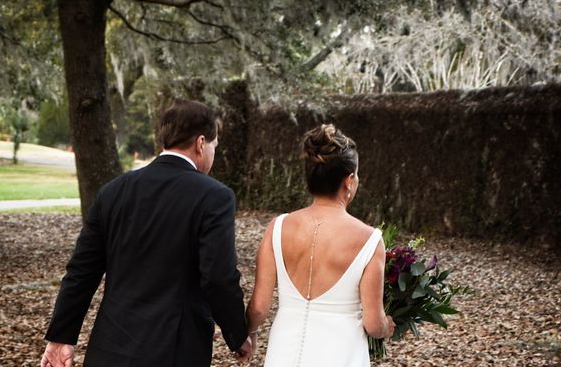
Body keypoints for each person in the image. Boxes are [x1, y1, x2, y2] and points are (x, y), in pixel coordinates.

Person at [40, 100, 252, 367]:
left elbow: (81, 272)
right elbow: (219, 278)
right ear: (201, 143)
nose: (213, 153)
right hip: (174, 351)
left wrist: (61, 337)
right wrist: (237, 334)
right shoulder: (214, 196)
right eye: (214, 146)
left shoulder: (113, 191)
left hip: (110, 347)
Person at [246, 124, 394, 366]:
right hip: (341, 354)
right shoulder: (369, 240)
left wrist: (249, 334)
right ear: (349, 180)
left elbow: (259, 308)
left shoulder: (278, 227)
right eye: (356, 175)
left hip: (284, 352)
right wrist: (387, 326)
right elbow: (373, 323)